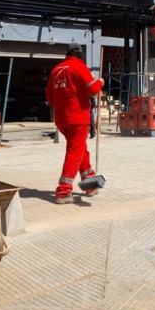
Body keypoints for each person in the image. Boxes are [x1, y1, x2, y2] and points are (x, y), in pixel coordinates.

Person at [45, 42, 105, 204]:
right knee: (74, 152)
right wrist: (100, 82)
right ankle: (64, 190)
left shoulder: (56, 70)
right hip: (78, 118)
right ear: (80, 55)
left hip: (62, 119)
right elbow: (92, 88)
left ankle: (90, 183)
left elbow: (50, 96)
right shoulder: (79, 67)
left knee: (79, 150)